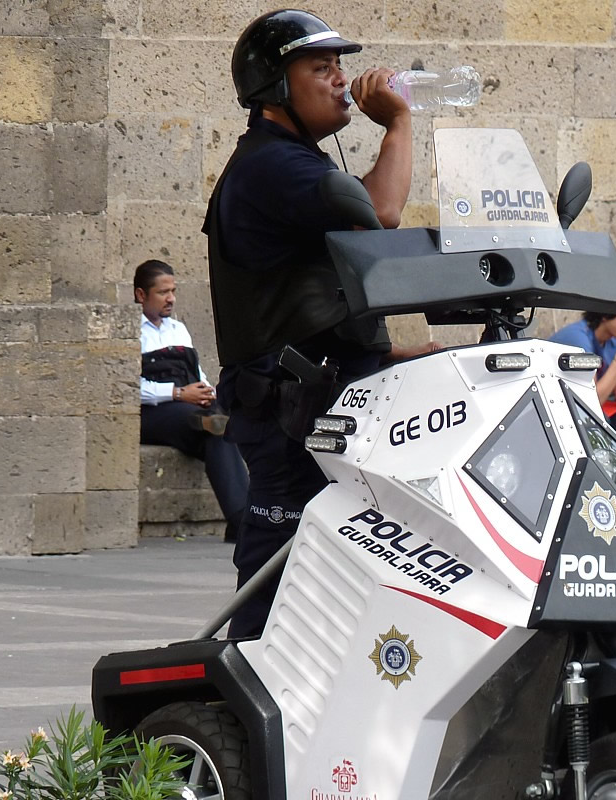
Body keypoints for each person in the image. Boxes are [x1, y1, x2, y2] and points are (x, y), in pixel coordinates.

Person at [204, 9, 437, 637]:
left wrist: (390, 355)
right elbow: (380, 211)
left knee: (334, 556)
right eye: (321, 68)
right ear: (276, 87)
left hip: (322, 393)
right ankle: (247, 686)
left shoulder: (293, 161)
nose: (341, 80)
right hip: (290, 408)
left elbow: (312, 292)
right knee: (283, 555)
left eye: (340, 66)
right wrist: (399, 121)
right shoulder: (272, 164)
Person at [135, 259, 249, 544]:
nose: (170, 298)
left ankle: (242, 520)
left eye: (173, 291)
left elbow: (197, 373)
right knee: (206, 423)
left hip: (190, 409)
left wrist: (206, 391)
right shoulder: (131, 331)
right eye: (162, 292)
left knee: (218, 431)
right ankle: (242, 521)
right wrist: (176, 393)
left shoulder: (178, 329)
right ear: (141, 295)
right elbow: (127, 387)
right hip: (154, 411)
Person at [549, 310, 616, 457]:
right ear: (605, 314)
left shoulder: (615, 340)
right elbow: (591, 403)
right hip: (558, 413)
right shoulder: (578, 338)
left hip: (586, 411)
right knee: (601, 420)